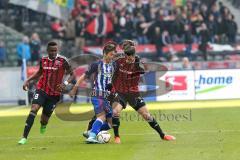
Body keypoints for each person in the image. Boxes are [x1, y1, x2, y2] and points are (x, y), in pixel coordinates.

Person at [84, 40, 176, 144]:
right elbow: (111, 58)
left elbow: (143, 69)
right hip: (120, 93)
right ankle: (116, 137)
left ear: (134, 55)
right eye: (126, 57)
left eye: (130, 57)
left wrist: (136, 60)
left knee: (146, 115)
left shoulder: (138, 64)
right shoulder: (119, 61)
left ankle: (162, 135)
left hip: (133, 93)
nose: (128, 59)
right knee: (114, 112)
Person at [18, 41, 74, 145]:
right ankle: (24, 137)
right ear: (47, 51)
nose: (53, 53)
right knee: (34, 109)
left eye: (55, 50)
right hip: (41, 89)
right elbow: (39, 72)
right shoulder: (43, 60)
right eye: (51, 51)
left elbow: (72, 74)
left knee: (44, 120)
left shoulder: (63, 60)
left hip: (54, 94)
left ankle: (43, 125)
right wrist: (27, 80)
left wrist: (65, 83)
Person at [69, 41, 117, 143]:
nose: (112, 56)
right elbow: (84, 76)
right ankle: (92, 137)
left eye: (114, 55)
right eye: (111, 54)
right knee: (101, 116)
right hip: (97, 94)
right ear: (105, 53)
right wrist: (74, 88)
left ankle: (91, 131)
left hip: (106, 96)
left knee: (111, 123)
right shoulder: (97, 65)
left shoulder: (114, 65)